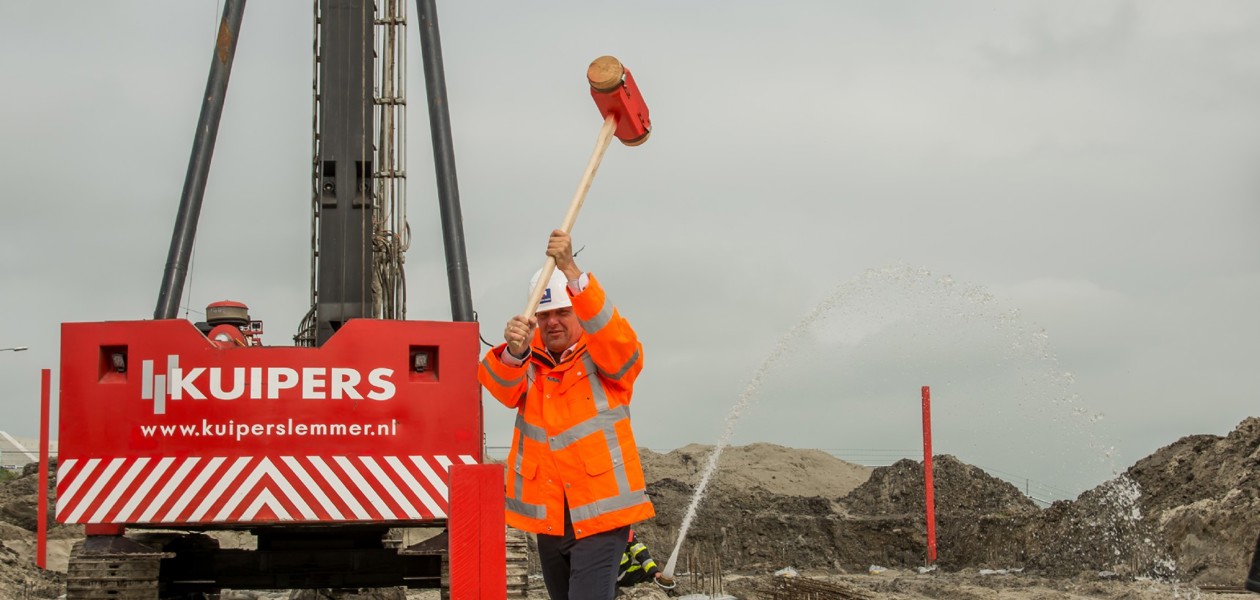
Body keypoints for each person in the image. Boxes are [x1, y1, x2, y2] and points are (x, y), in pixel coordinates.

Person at [479, 230, 654, 600]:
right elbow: (503, 390)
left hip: (600, 515)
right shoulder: (529, 357)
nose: (553, 322)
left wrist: (574, 274)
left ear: (578, 309)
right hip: (552, 517)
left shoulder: (603, 355)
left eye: (562, 311)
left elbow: (624, 352)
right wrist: (513, 353)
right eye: (544, 315)